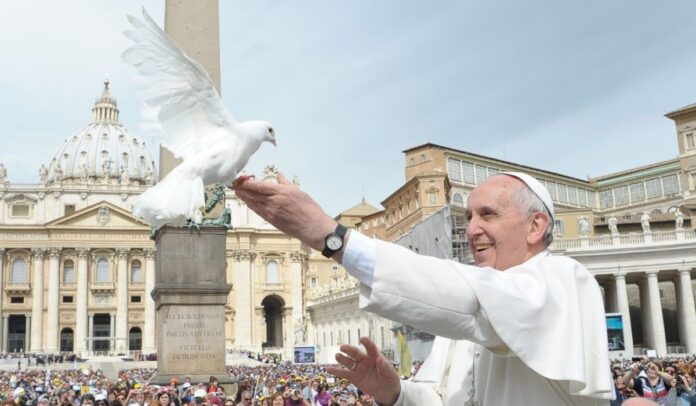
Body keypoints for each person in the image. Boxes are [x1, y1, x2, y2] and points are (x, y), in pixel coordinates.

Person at [234, 171, 612, 405]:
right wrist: (394, 392)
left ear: (536, 226)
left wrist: (332, 238)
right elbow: (438, 399)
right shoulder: (465, 317)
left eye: (488, 214)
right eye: (469, 217)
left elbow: (475, 298)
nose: (472, 229)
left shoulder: (565, 280)